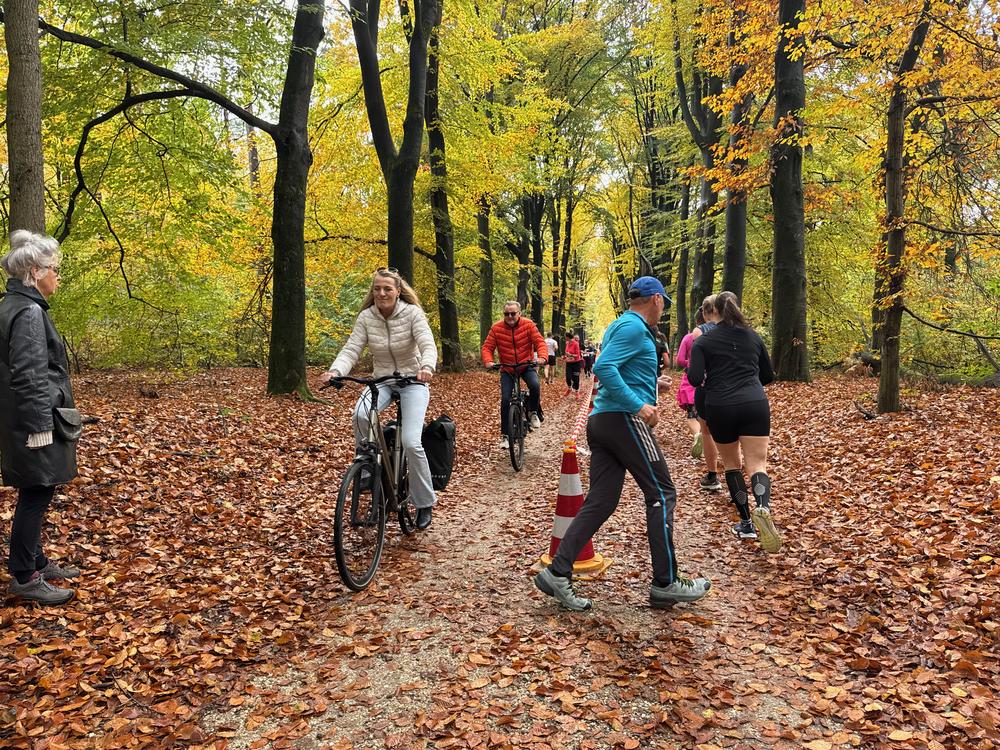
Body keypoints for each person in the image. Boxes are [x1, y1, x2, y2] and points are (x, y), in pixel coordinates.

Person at [534, 276, 711, 611]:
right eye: (664, 304)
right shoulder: (633, 328)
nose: (663, 311)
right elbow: (604, 367)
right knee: (662, 493)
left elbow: (619, 370)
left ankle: (557, 572)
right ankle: (666, 581)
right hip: (622, 421)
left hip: (603, 421)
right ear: (656, 299)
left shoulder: (621, 326)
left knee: (601, 500)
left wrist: (651, 385)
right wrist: (640, 405)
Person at [320, 268, 438, 530]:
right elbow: (352, 348)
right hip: (381, 380)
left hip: (413, 381)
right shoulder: (367, 317)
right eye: (377, 289)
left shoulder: (412, 313)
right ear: (372, 292)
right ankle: (366, 470)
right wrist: (335, 371)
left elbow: (427, 344)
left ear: (398, 291)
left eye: (387, 288)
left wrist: (427, 367)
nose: (381, 293)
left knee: (410, 442)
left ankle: (423, 502)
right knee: (360, 415)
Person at [1, 230, 81, 605]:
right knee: (37, 490)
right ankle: (24, 576)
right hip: (34, 419)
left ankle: (34, 561)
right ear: (34, 272)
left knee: (36, 488)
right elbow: (30, 373)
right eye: (53, 269)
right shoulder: (29, 311)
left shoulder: (10, 305)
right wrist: (39, 428)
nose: (58, 275)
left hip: (23, 416)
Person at [687, 291, 781, 553]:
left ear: (713, 311)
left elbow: (694, 379)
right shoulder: (753, 336)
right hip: (755, 403)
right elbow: (768, 375)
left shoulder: (704, 341)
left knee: (731, 464)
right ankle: (763, 505)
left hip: (721, 405)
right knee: (757, 463)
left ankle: (747, 523)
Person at [481, 301, 548, 450]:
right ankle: (505, 435)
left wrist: (542, 357)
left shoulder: (529, 325)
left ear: (519, 313)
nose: (509, 316)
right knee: (505, 399)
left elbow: (540, 343)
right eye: (506, 314)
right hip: (507, 368)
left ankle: (533, 412)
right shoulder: (496, 328)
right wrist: (489, 361)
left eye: (513, 313)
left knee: (535, 385)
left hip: (526, 365)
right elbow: (487, 347)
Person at [690, 296, 723, 492]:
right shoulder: (737, 330)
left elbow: (697, 366)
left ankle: (713, 474)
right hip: (733, 387)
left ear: (704, 312)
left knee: (707, 432)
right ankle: (733, 471)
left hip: (707, 387)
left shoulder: (699, 332)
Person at [675, 310, 705, 459]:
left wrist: (692, 363)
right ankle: (705, 438)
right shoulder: (714, 337)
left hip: (691, 379)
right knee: (705, 414)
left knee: (692, 414)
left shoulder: (688, 338)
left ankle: (697, 435)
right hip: (711, 380)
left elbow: (680, 360)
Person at [563, 331, 582, 397]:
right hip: (569, 363)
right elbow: (566, 353)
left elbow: (577, 355)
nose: (565, 338)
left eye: (565, 336)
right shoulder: (567, 343)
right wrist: (565, 356)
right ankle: (569, 388)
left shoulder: (576, 343)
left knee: (576, 378)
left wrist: (570, 355)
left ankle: (577, 392)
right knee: (568, 377)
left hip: (576, 363)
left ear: (568, 337)